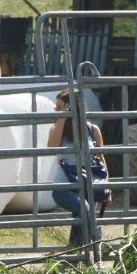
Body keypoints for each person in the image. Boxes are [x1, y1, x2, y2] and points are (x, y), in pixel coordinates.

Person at [48, 89, 110, 247]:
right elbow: (52, 147)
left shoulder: (92, 130)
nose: (56, 110)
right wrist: (63, 117)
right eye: (56, 107)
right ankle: (97, 239)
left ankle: (75, 251)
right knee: (85, 208)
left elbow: (101, 159)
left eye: (60, 106)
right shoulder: (57, 128)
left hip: (88, 182)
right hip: (65, 186)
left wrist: (108, 186)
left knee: (81, 218)